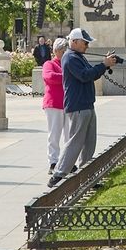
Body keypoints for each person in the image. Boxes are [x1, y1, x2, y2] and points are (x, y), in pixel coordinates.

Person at [48, 28, 117, 187]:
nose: (87, 45)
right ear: (74, 42)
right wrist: (104, 64)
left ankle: (87, 177)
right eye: (85, 42)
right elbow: (85, 76)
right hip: (78, 105)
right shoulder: (70, 57)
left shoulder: (77, 56)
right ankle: (58, 174)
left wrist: (104, 65)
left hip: (86, 104)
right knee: (75, 141)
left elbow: (90, 74)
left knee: (88, 143)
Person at [42, 38, 68, 174]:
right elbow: (49, 77)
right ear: (56, 51)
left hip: (68, 104)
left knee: (69, 135)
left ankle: (67, 161)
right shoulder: (49, 63)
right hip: (54, 104)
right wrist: (66, 76)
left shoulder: (68, 63)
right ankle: (53, 161)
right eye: (63, 51)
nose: (65, 53)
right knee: (54, 134)